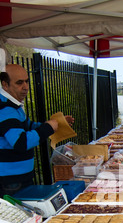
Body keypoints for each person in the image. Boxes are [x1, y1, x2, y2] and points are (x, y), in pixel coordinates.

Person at [0, 64, 73, 197]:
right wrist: (47, 128)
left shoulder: (14, 106)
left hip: (21, 178)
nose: (26, 87)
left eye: (27, 81)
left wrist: (59, 124)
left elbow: (30, 126)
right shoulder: (5, 109)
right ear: (5, 85)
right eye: (19, 83)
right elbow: (20, 143)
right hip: (10, 181)